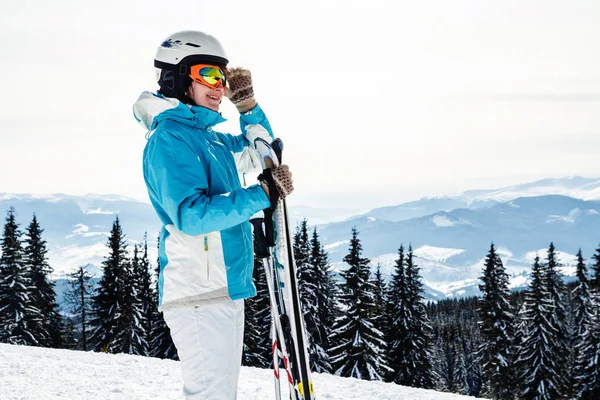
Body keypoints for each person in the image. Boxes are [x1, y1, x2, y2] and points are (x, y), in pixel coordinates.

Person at [132, 30, 293, 400]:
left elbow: (262, 153)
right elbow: (190, 215)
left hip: (223, 288)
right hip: (198, 295)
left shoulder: (213, 140)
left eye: (223, 77)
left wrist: (248, 106)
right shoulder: (170, 140)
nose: (219, 86)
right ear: (177, 78)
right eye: (209, 75)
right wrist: (263, 194)